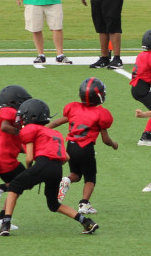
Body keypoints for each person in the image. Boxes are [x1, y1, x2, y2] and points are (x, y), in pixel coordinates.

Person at [0, 98, 100, 236]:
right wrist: (52, 167)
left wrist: (30, 169)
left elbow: (29, 158)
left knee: (14, 186)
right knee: (53, 204)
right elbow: (66, 157)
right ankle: (86, 222)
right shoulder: (55, 133)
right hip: (57, 169)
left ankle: (5, 223)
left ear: (31, 116)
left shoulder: (30, 129)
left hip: (42, 164)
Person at [48, 77, 119, 217]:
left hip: (71, 146)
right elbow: (105, 139)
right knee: (90, 178)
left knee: (76, 174)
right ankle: (84, 204)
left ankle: (67, 180)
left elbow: (56, 123)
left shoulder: (74, 108)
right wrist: (113, 144)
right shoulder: (100, 113)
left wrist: (43, 130)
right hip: (86, 148)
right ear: (98, 96)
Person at [0, 84, 31, 231]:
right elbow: (5, 126)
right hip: (3, 158)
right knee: (25, 182)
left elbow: (18, 147)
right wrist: (23, 132)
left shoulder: (12, 120)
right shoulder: (8, 111)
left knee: (18, 187)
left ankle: (1, 219)